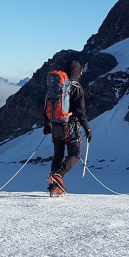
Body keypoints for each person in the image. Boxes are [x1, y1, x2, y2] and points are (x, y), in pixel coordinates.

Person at [43, 60, 91, 196]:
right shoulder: (76, 87)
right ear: (77, 71)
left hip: (56, 125)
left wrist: (47, 124)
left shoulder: (55, 86)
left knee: (58, 155)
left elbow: (46, 105)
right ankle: (58, 176)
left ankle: (54, 187)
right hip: (71, 128)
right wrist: (87, 129)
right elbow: (80, 112)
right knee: (75, 155)